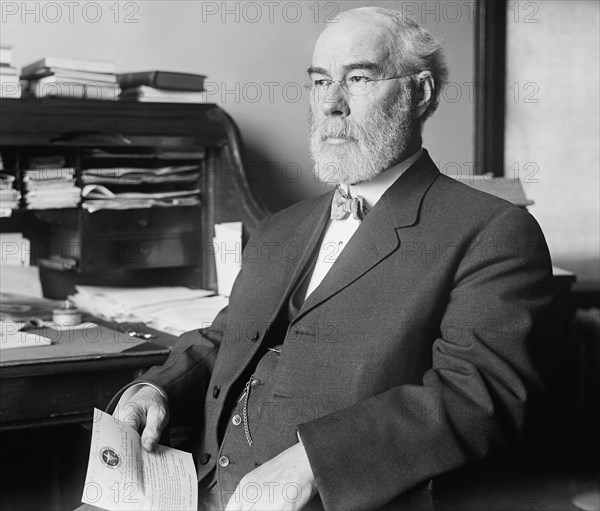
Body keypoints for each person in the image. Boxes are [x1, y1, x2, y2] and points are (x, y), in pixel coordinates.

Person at [109, 7, 553, 511]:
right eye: (320, 82)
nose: (332, 105)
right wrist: (155, 388)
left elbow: (481, 398)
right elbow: (225, 338)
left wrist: (313, 463)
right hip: (191, 489)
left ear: (420, 93)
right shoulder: (282, 226)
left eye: (359, 78)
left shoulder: (493, 230)